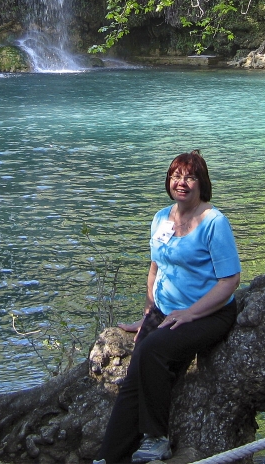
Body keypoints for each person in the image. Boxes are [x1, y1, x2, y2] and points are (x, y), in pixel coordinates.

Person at [96, 151, 241, 464]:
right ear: (169, 182)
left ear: (202, 183)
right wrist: (148, 312)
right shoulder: (162, 218)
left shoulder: (214, 222)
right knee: (134, 378)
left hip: (209, 313)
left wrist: (190, 313)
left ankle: (157, 439)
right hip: (165, 311)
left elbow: (229, 281)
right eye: (177, 177)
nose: (182, 183)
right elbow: (156, 267)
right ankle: (110, 457)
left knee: (153, 350)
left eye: (190, 177)